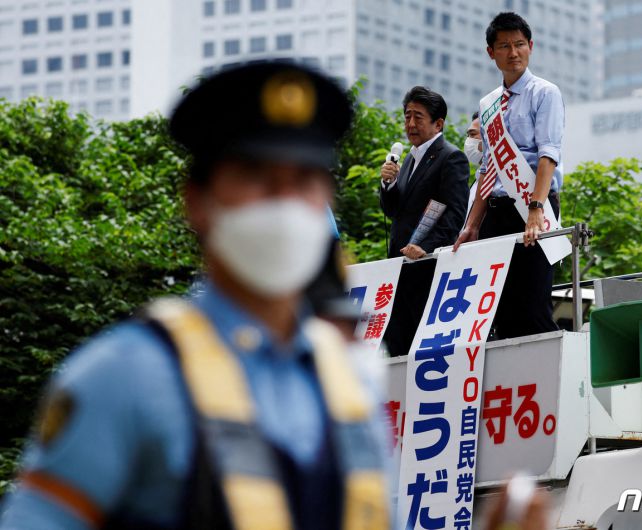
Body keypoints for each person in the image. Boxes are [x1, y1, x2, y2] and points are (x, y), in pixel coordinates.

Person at [0, 62, 390, 530]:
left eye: (304, 181)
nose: (284, 203)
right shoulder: (122, 374)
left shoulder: (352, 380)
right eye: (257, 178)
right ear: (197, 201)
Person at [454, 12, 565, 339]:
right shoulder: (487, 104)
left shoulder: (546, 93)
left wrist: (535, 211)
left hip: (532, 207)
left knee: (531, 306)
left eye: (519, 44)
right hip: (496, 214)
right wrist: (472, 225)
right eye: (504, 46)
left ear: (531, 47)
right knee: (495, 310)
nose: (513, 52)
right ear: (491, 52)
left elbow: (548, 155)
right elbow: (487, 168)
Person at [379, 86, 469, 357]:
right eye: (407, 116)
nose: (410, 124)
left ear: (438, 123)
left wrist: (427, 247)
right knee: (397, 345)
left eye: (418, 117)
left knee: (422, 349)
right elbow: (394, 210)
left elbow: (454, 213)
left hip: (428, 268)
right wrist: (388, 184)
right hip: (400, 267)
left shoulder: (451, 157)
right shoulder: (408, 159)